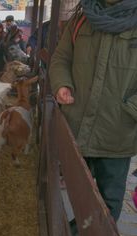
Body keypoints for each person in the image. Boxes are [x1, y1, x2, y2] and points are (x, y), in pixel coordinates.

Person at [49, 0, 137, 222]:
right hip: (78, 128)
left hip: (117, 135)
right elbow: (61, 58)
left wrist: (130, 109)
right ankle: (80, 230)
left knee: (109, 201)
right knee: (77, 193)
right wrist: (62, 84)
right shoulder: (82, 19)